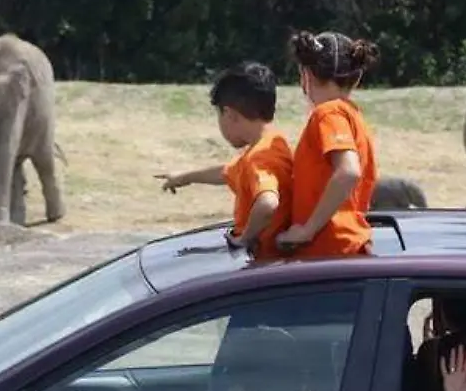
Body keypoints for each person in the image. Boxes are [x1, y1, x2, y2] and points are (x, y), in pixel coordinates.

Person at [156, 61, 292, 260]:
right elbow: (229, 171)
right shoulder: (275, 142)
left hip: (261, 262)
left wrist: (244, 239)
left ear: (229, 114)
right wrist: (185, 177)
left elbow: (268, 203)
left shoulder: (259, 159)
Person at [276, 31, 380, 258]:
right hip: (346, 248)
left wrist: (306, 231)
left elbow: (349, 171)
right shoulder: (352, 115)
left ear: (306, 75)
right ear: (357, 78)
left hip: (329, 251)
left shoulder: (329, 113)